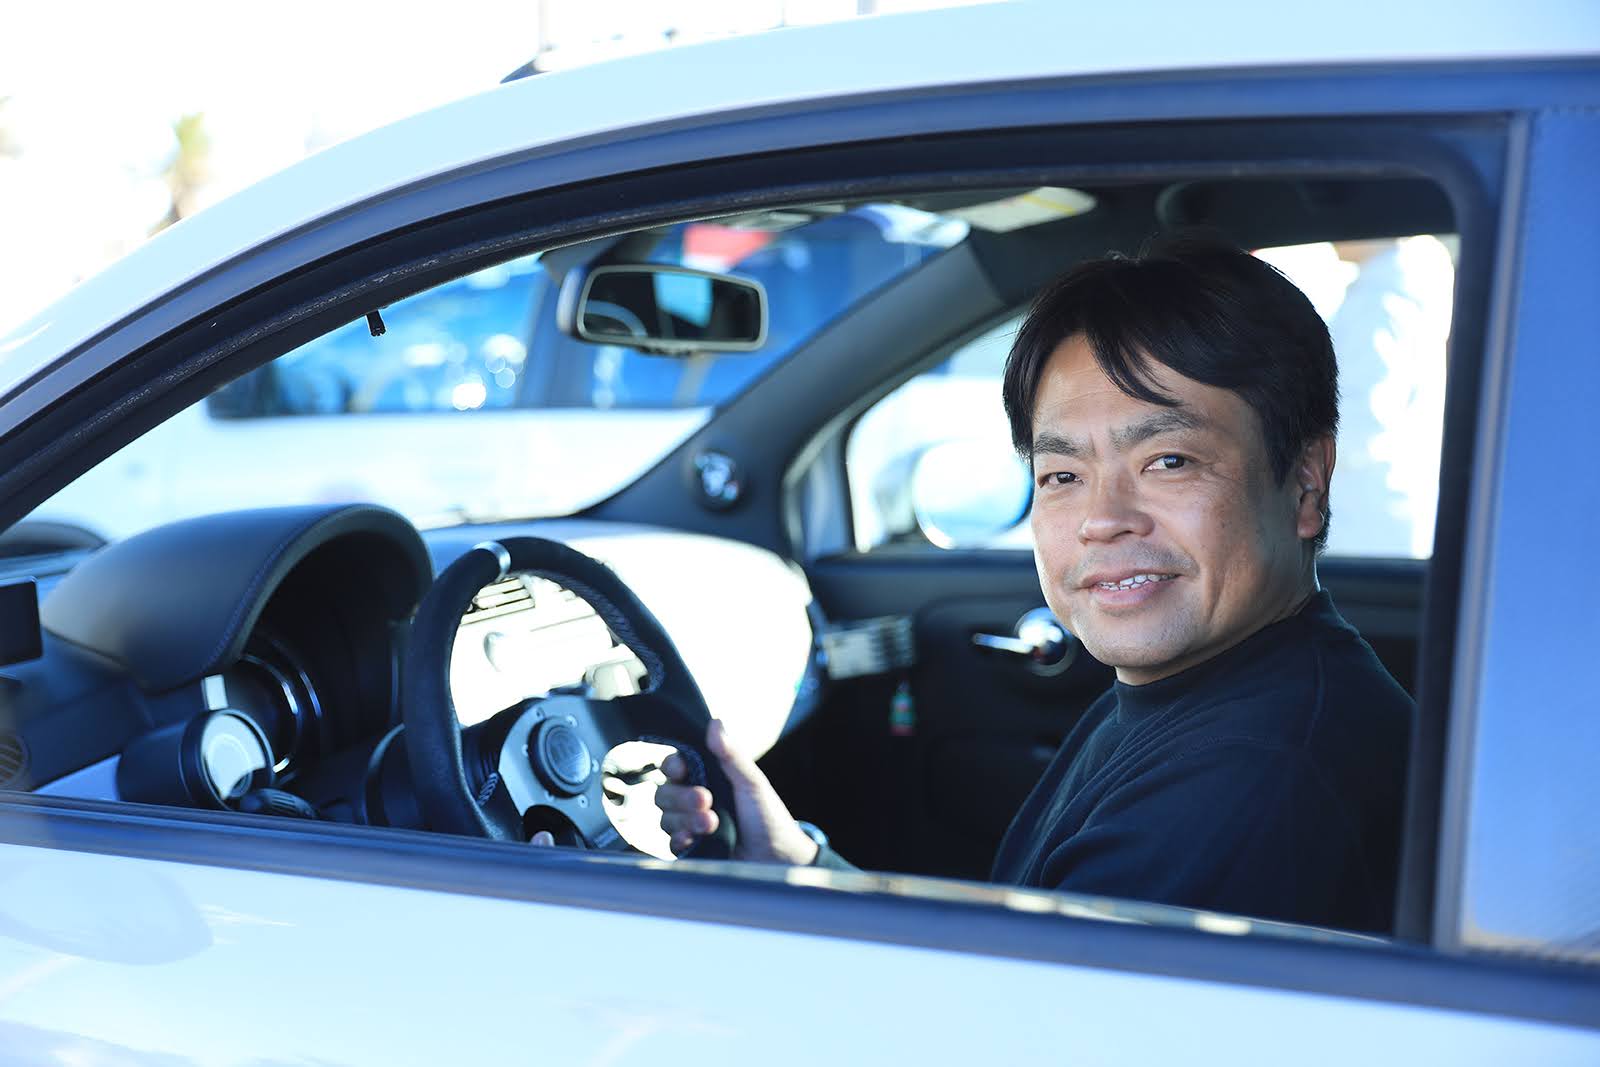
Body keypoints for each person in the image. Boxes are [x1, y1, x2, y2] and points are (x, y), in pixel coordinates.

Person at [649, 233, 1413, 933]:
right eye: (1062, 474)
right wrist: (798, 870)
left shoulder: (1249, 782)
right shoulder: (1215, 691)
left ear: (1306, 484)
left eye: (1168, 461)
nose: (1102, 519)